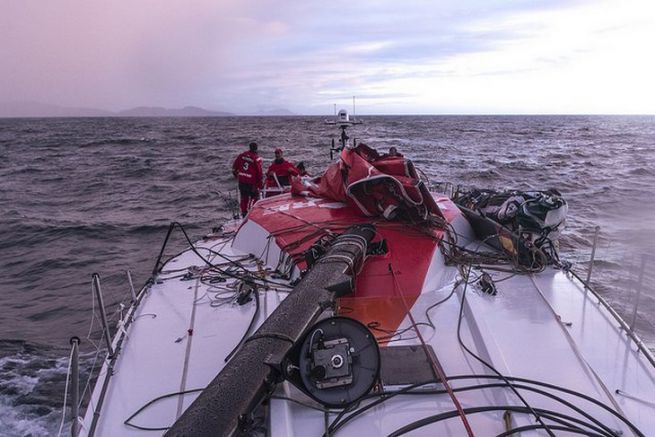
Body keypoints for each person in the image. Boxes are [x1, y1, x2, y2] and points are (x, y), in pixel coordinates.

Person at [232, 142, 263, 217]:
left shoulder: (241, 156)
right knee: (255, 197)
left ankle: (244, 213)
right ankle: (252, 212)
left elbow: (234, 168)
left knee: (244, 198)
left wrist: (237, 176)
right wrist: (260, 184)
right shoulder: (256, 158)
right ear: (256, 149)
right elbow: (259, 173)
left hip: (242, 181)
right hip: (252, 183)